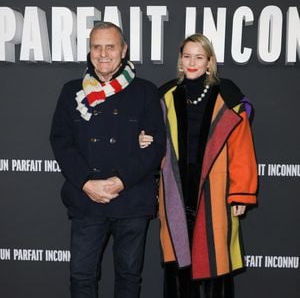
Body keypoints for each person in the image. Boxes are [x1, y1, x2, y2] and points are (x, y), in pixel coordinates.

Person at [49, 22, 165, 298]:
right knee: (81, 277)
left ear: (123, 50)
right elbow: (61, 142)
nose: (103, 53)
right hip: (87, 200)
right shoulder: (71, 91)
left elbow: (155, 146)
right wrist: (87, 182)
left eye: (110, 46)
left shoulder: (146, 91)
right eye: (96, 47)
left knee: (128, 277)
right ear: (89, 51)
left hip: (131, 198)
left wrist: (120, 181)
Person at [139, 33, 258, 298]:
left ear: (209, 62)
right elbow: (152, 135)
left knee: (215, 259)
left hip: (216, 187)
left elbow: (242, 148)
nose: (192, 62)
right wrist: (143, 137)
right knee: (178, 259)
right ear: (180, 61)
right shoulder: (165, 95)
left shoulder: (227, 96)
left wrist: (241, 192)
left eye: (199, 57)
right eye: (187, 56)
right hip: (176, 187)